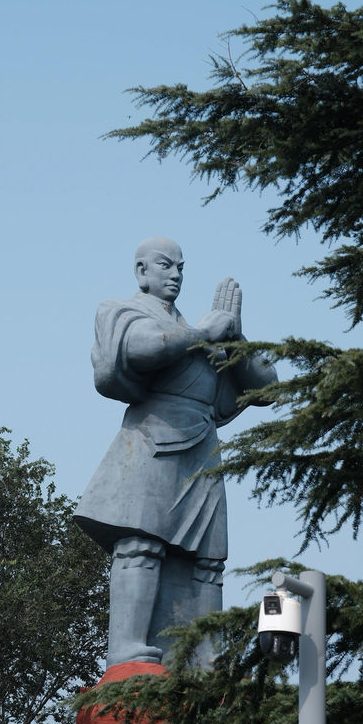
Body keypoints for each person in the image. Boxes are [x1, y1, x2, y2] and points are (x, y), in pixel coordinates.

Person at [74, 237, 276, 667]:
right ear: (141, 272)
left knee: (207, 561)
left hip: (201, 446)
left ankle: (204, 651)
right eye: (165, 266)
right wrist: (203, 333)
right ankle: (126, 647)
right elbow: (141, 348)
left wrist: (234, 337)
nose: (176, 275)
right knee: (140, 544)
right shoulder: (125, 311)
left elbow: (266, 387)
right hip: (152, 439)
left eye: (181, 267)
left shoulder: (196, 329)